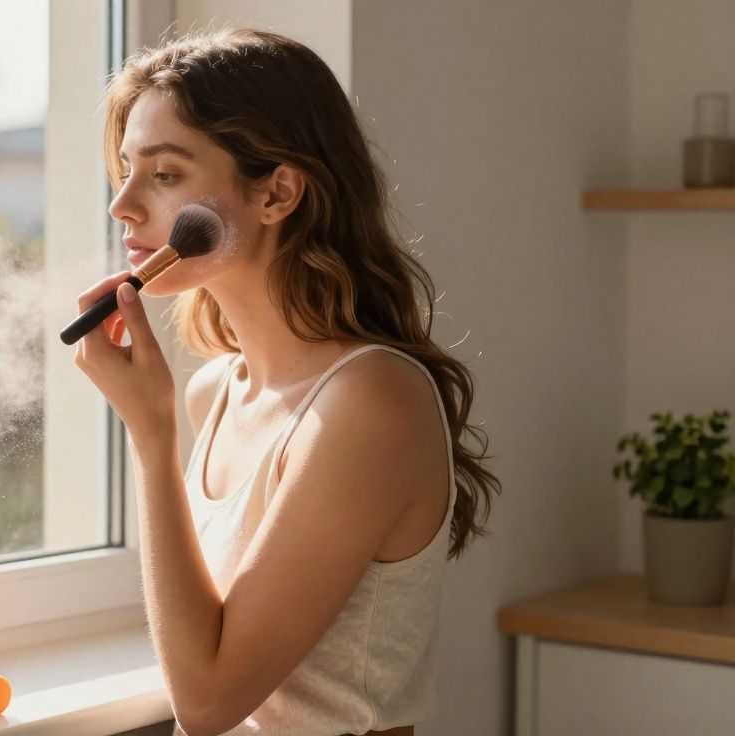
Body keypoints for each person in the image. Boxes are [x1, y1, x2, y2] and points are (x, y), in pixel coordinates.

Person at [72, 27, 501, 736]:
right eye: (125, 170)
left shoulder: (370, 402)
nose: (124, 205)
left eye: (166, 173)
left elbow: (208, 702)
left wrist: (150, 437)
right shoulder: (216, 392)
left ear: (277, 193)